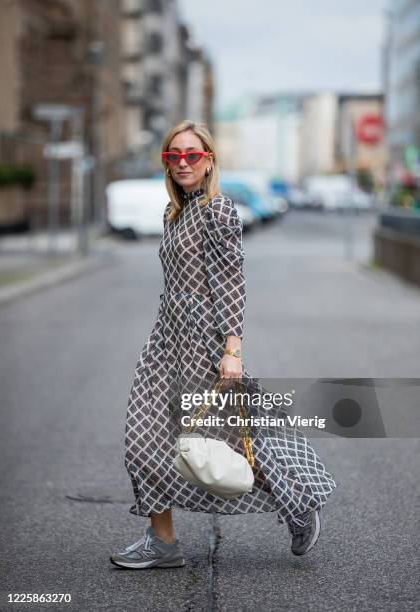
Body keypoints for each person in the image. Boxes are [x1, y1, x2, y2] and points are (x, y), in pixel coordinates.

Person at [110, 120, 336, 570]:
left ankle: (297, 504)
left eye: (192, 154)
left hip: (203, 344)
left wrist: (232, 348)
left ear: (209, 158)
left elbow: (231, 280)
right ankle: (163, 542)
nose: (182, 163)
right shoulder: (174, 212)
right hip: (165, 340)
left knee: (231, 444)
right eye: (173, 156)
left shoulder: (219, 210)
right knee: (143, 439)